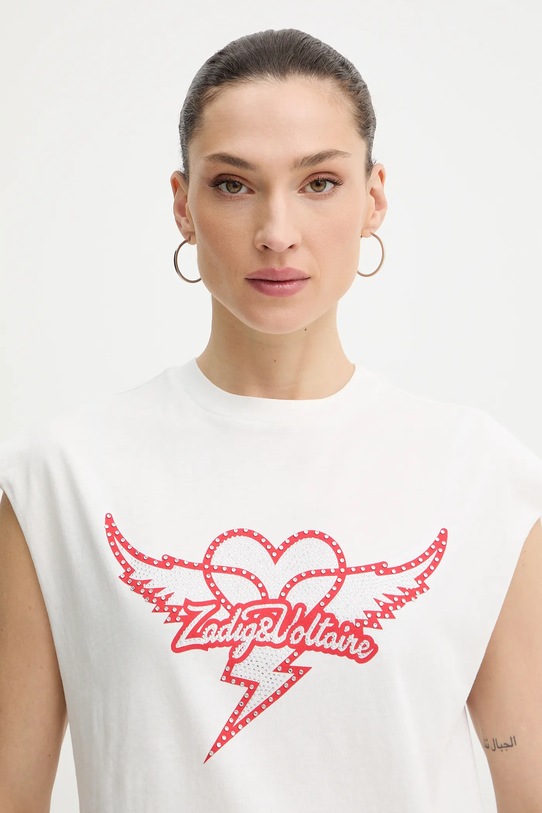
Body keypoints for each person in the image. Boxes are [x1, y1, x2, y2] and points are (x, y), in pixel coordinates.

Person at [0, 27, 541, 813]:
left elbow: (525, 780)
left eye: (319, 182)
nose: (277, 231)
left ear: (374, 198)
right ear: (183, 204)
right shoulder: (63, 479)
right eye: (233, 184)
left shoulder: (480, 477)